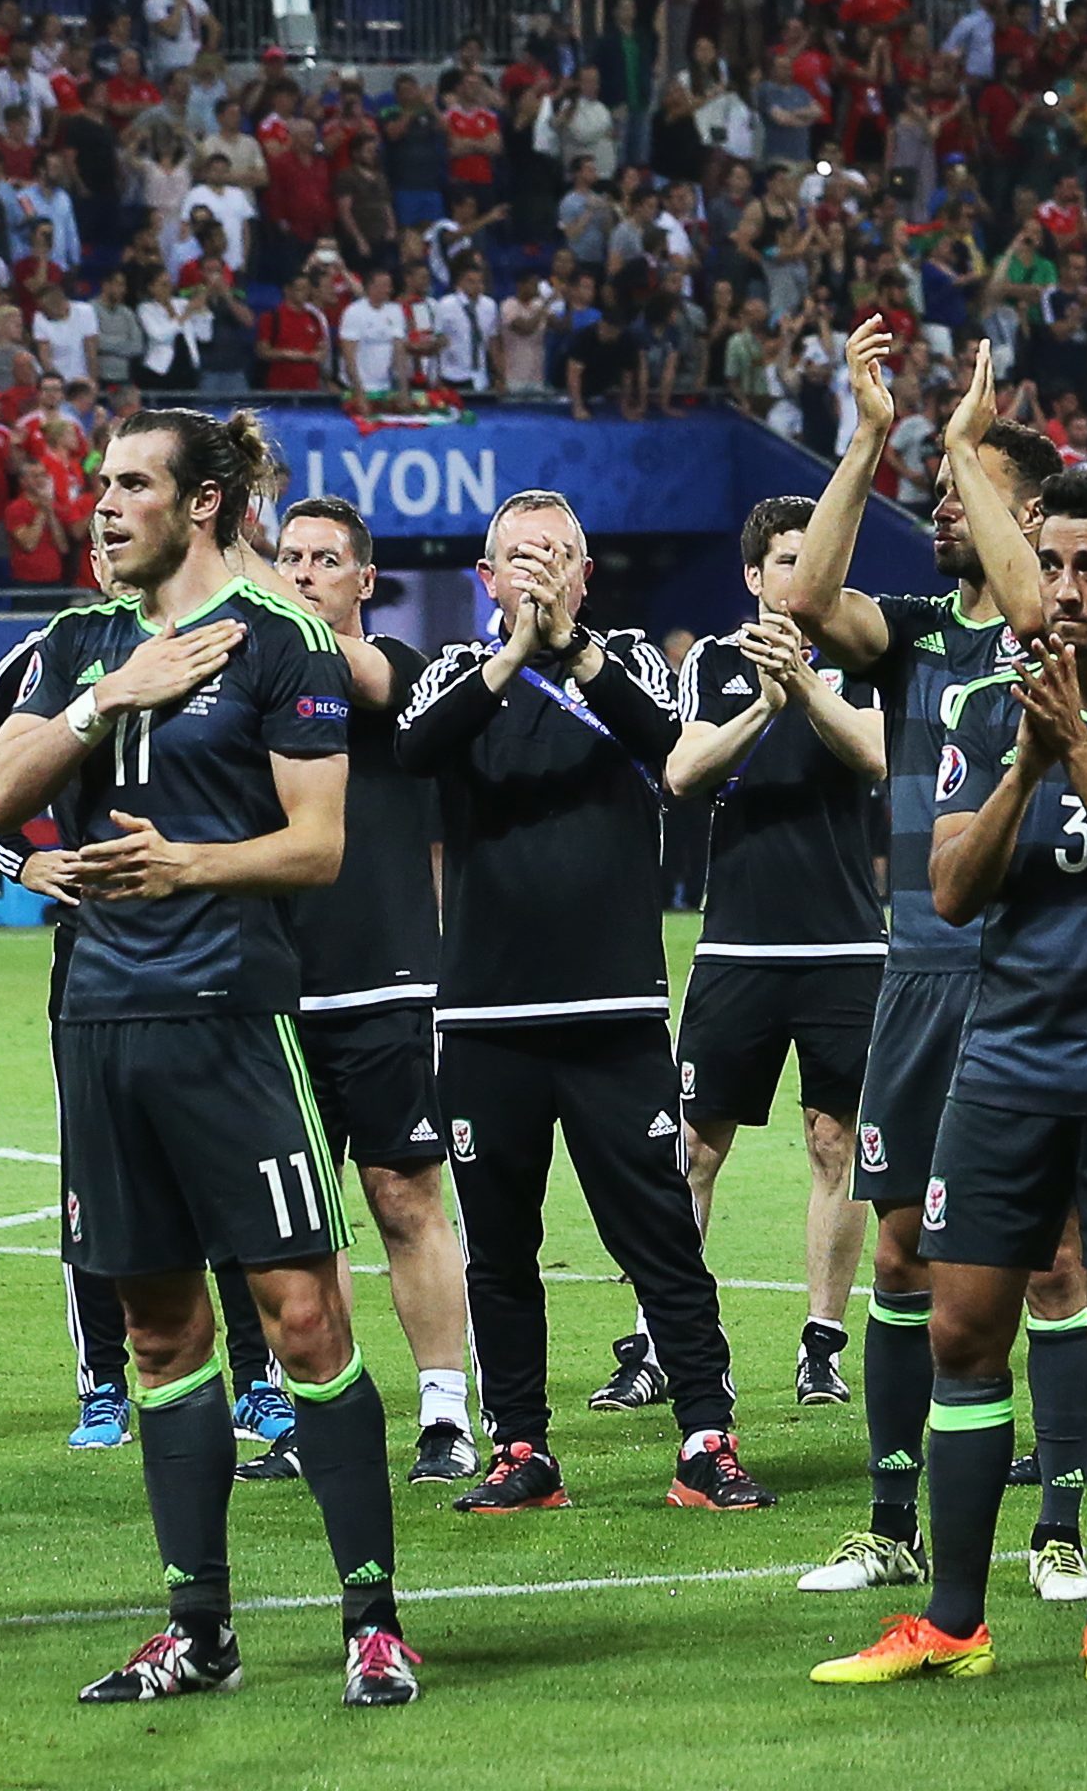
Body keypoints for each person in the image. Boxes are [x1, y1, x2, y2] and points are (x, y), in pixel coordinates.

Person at [0, 408, 416, 1710]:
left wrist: (186, 865)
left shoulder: (284, 642)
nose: (103, 507)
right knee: (159, 1336)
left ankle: (372, 1620)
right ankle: (199, 1632)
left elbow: (317, 843)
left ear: (204, 503)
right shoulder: (81, 642)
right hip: (100, 1022)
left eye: (133, 486)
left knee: (305, 1315)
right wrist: (117, 694)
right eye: (99, 485)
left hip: (230, 1013)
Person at [813, 465, 1087, 1689]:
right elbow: (952, 886)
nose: (1061, 587)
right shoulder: (976, 707)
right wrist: (1023, 758)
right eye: (1050, 563)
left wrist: (1080, 750)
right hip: (1001, 1061)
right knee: (960, 1328)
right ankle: (953, 1621)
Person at [786, 329, 1087, 1604]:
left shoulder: (1051, 632)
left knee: (1055, 1256)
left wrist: (969, 443)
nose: (941, 514)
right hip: (918, 975)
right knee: (905, 1247)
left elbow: (1032, 602)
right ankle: (891, 1518)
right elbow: (807, 603)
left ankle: (1062, 1522)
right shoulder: (912, 633)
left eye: (964, 495)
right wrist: (867, 435)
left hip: (1029, 975)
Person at [392, 489, 769, 1515]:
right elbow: (413, 754)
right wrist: (511, 655)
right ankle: (521, 1450)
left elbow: (670, 753)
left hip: (613, 1012)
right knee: (501, 1249)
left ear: (586, 576)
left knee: (659, 1236)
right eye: (518, 555)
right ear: (485, 577)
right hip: (484, 1016)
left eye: (556, 555)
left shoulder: (631, 660)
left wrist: (571, 651)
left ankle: (704, 1438)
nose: (537, 569)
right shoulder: (453, 674)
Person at [0, 546, 285, 1459]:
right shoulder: (62, 648)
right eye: (102, 530)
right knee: (96, 1188)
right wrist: (21, 860)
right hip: (99, 962)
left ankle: (258, 1380)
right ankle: (101, 1384)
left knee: (229, 1183)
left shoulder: (239, 642)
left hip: (220, 958)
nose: (116, 548)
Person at [266, 497, 475, 1487]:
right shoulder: (253, 681)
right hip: (271, 984)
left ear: (362, 580)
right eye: (288, 557)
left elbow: (368, 676)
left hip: (387, 979)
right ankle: (317, 1416)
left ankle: (444, 1415)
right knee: (293, 1218)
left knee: (404, 1197)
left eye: (322, 560)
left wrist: (246, 580)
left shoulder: (403, 668)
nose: (302, 573)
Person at [666, 495, 887, 1406]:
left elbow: (877, 758)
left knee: (836, 1143)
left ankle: (822, 1343)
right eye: (787, 560)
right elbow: (683, 773)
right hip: (736, 946)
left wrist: (807, 687)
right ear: (755, 578)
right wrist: (766, 704)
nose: (804, 573)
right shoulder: (715, 663)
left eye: (816, 557)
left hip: (845, 944)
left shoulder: (866, 660)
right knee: (692, 1146)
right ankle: (662, 1339)